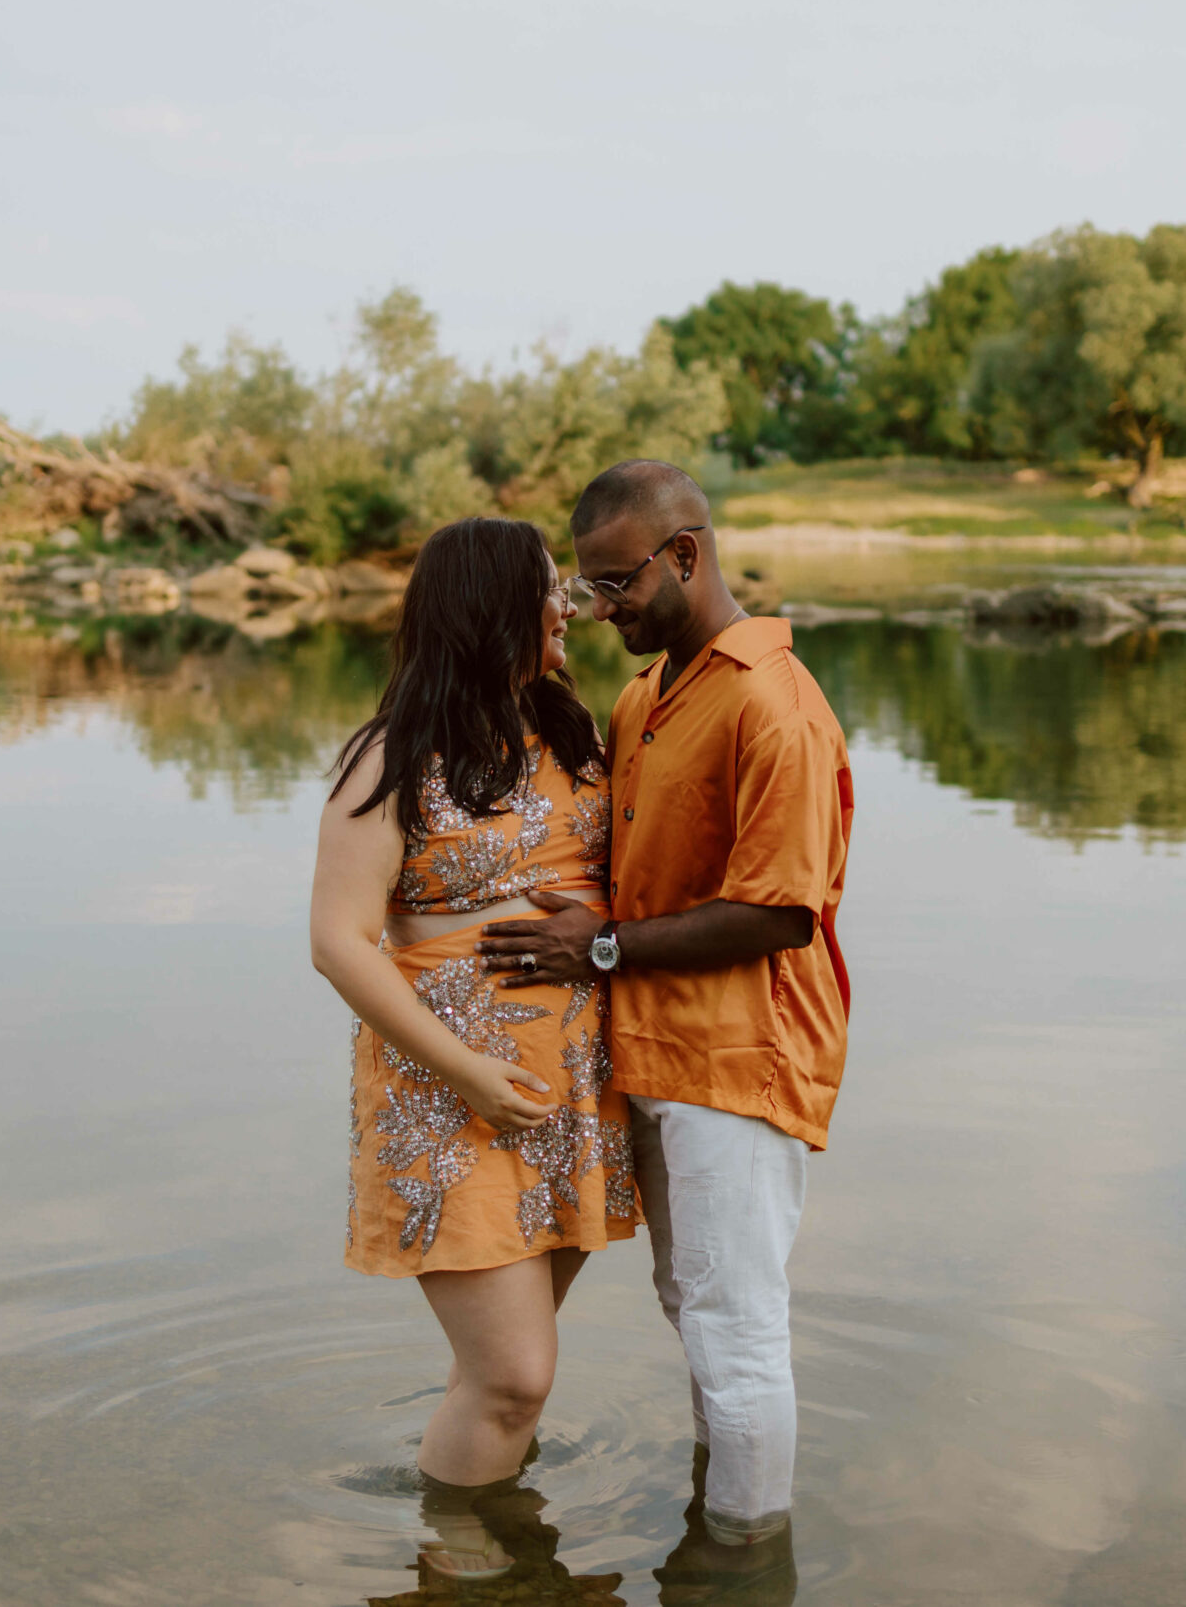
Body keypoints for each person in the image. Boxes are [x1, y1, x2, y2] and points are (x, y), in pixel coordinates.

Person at [479, 459, 851, 1575]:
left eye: (615, 584)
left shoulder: (774, 705)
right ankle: (719, 1523)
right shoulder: (650, 695)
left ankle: (742, 1562)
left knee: (736, 1331)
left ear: (684, 556)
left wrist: (593, 947)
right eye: (586, 590)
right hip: (652, 1047)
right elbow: (651, 881)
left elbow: (777, 916)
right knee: (692, 1308)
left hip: (742, 1057)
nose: (601, 611)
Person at [309, 515, 639, 1583]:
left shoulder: (570, 730)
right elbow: (337, 943)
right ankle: (457, 1571)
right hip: (454, 1094)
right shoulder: (388, 757)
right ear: (493, 609)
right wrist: (469, 1075)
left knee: (508, 1377)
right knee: (512, 1377)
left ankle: (505, 1551)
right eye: (550, 591)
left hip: (570, 1086)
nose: (569, 609)